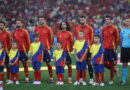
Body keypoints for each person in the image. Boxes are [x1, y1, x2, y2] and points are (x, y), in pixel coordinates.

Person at [74, 15, 94, 84]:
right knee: (80, 63)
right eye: (81, 19)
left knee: (89, 63)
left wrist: (89, 48)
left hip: (87, 49)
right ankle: (80, 78)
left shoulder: (89, 28)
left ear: (85, 20)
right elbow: (77, 38)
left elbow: (91, 39)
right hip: (79, 50)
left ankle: (91, 78)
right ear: (79, 20)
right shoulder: (76, 28)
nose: (82, 20)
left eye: (83, 19)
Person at [35, 16, 54, 83]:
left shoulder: (48, 28)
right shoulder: (36, 29)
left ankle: (51, 78)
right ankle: (37, 79)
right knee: (37, 63)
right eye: (39, 19)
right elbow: (35, 38)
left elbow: (51, 38)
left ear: (44, 21)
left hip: (46, 49)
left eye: (42, 19)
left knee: (48, 63)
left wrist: (49, 47)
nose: (40, 21)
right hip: (38, 50)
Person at [102, 15, 120, 85]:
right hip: (105, 49)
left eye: (108, 19)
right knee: (102, 62)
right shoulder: (103, 29)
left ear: (111, 20)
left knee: (111, 64)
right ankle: (115, 70)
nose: (106, 21)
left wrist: (115, 47)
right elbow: (103, 38)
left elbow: (117, 39)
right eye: (106, 19)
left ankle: (111, 79)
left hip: (112, 49)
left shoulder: (114, 29)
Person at [120, 18, 130, 85]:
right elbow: (121, 39)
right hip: (124, 49)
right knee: (124, 64)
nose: (127, 22)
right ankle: (123, 81)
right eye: (126, 21)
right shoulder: (122, 31)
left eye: (129, 21)